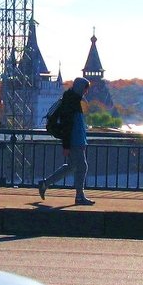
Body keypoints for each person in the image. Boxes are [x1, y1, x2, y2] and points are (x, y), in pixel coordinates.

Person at [38, 77, 95, 206]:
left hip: (77, 141)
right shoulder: (71, 103)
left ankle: (45, 184)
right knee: (81, 167)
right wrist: (66, 145)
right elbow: (68, 126)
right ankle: (79, 196)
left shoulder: (72, 100)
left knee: (72, 167)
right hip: (75, 141)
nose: (86, 92)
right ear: (81, 88)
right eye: (86, 89)